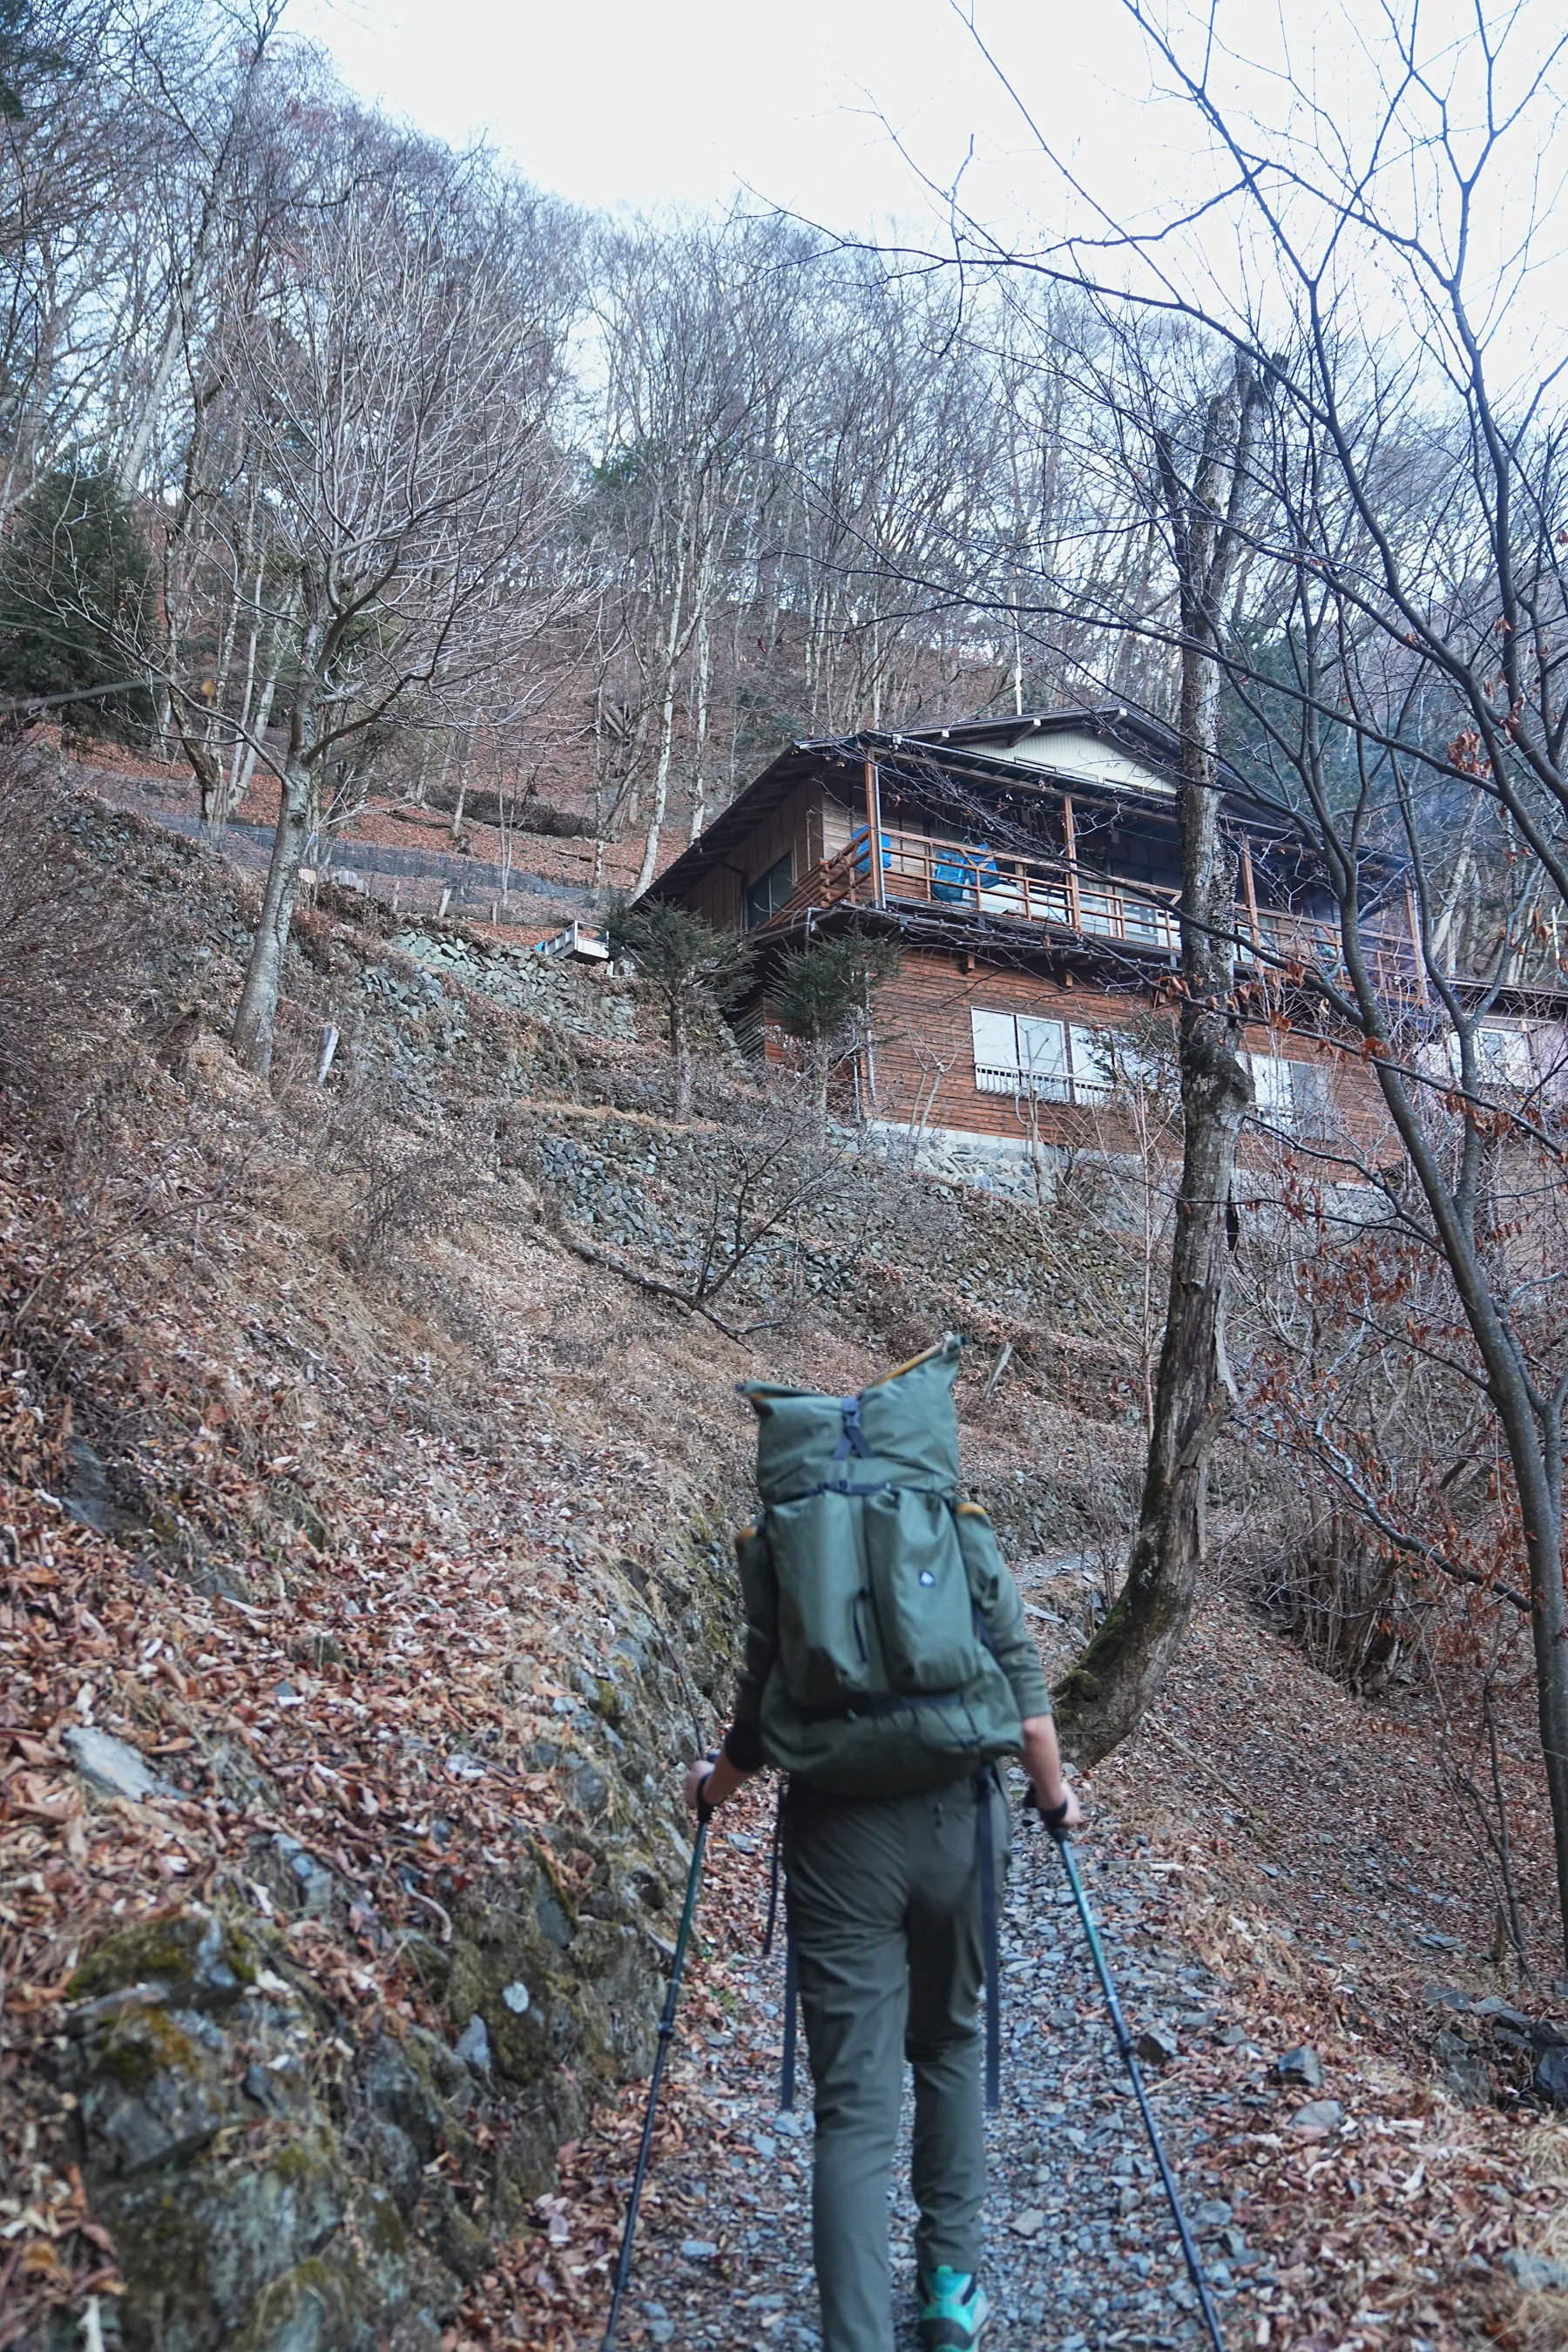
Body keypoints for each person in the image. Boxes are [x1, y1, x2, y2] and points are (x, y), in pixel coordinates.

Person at [685, 1376, 1081, 2352]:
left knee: (852, 2112)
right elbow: (1026, 1691)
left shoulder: (785, 1541)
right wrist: (1055, 1798)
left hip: (836, 1840)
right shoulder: (957, 1524)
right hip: (959, 1823)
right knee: (947, 2046)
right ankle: (950, 2291)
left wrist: (709, 1793)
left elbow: (757, 1708)